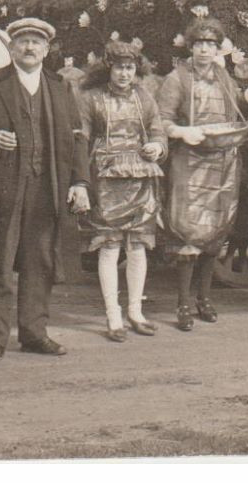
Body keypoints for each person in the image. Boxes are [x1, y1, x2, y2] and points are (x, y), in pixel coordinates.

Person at [0, 18, 91, 361]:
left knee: (39, 262)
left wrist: (80, 182)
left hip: (46, 187)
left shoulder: (59, 87)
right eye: (23, 41)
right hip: (4, 187)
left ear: (47, 49)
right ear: (12, 47)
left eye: (36, 42)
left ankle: (34, 333)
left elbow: (77, 138)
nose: (29, 48)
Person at [157, 17, 248, 331]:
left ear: (217, 49)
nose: (204, 51)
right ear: (191, 47)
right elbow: (162, 120)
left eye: (210, 45)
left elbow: (235, 115)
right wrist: (183, 132)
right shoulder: (177, 79)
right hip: (190, 160)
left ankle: (205, 298)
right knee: (188, 230)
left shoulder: (225, 77)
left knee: (214, 231)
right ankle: (183, 302)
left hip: (221, 161)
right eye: (198, 44)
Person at [76, 39, 167, 340]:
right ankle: (112, 315)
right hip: (106, 178)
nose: (124, 74)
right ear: (108, 68)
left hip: (140, 176)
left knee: (138, 245)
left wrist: (156, 145)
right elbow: (82, 138)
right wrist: (80, 179)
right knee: (110, 245)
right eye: (118, 68)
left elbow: (157, 128)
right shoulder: (90, 98)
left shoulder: (144, 96)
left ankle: (135, 311)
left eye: (129, 68)